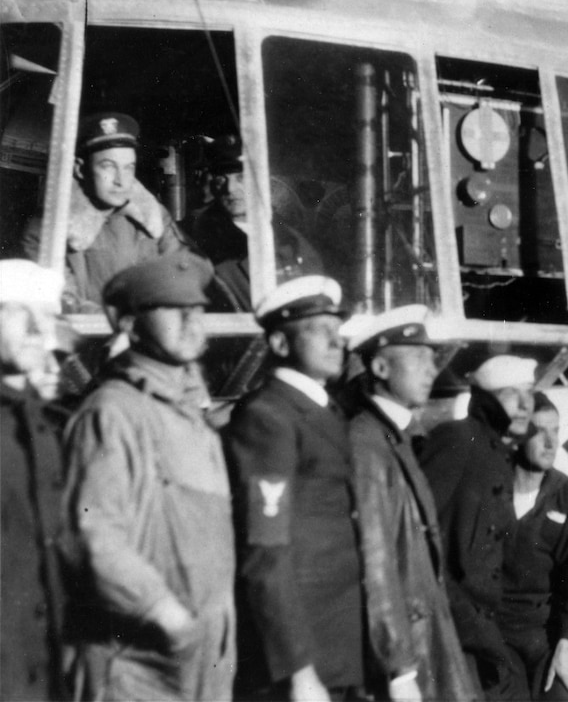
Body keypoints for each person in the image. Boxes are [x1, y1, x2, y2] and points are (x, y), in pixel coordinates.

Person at [62, 252, 235, 700]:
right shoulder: (114, 411)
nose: (190, 321)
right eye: (172, 311)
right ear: (130, 324)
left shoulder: (190, 417)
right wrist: (168, 616)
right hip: (138, 670)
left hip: (198, 669)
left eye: (196, 310)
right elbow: (93, 534)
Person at [224, 276, 367, 700]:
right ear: (281, 345)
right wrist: (297, 668)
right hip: (300, 659)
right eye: (319, 331)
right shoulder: (269, 417)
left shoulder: (323, 409)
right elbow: (265, 552)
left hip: (338, 647)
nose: (336, 342)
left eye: (337, 332)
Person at [339, 304, 480, 701]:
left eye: (432, 358)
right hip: (407, 651)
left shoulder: (391, 436)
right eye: (417, 358)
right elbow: (374, 562)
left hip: (422, 636)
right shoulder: (366, 445)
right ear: (380, 369)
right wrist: (399, 669)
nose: (431, 369)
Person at [416, 354, 537, 699]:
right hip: (453, 626)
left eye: (529, 393)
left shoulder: (496, 451)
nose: (526, 404)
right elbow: (419, 536)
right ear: (485, 399)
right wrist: (469, 620)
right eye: (513, 394)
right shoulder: (458, 439)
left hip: (481, 625)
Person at [22, 112, 188, 313]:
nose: (121, 180)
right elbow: (63, 301)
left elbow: (183, 275)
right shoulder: (48, 227)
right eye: (108, 166)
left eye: (128, 168)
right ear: (80, 169)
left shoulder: (155, 218)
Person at [0, 260, 71, 700]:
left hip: (45, 669)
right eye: (16, 312)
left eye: (45, 317)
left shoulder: (40, 424)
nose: (37, 331)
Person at [498, 394, 568, 701]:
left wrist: (566, 649)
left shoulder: (567, 494)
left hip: (546, 634)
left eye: (556, 430)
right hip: (494, 632)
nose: (551, 442)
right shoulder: (490, 485)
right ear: (516, 435)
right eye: (539, 431)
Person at [185, 135, 323, 311]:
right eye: (221, 178)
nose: (230, 188)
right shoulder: (196, 243)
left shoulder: (292, 241)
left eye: (241, 178)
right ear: (212, 183)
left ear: (262, 181)